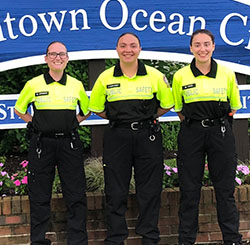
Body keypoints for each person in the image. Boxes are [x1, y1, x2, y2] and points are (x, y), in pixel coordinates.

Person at [88, 32, 174, 245]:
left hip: (148, 136)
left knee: (150, 189)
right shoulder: (106, 77)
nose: (128, 50)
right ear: (117, 49)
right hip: (117, 137)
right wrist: (121, 120)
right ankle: (116, 237)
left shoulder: (155, 75)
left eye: (133, 45)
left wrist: (144, 119)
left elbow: (167, 104)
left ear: (140, 49)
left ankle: (150, 237)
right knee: (115, 189)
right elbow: (98, 108)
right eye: (123, 45)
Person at [14, 41, 90, 245]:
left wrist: (74, 122)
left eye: (62, 54)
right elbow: (19, 109)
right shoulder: (33, 84)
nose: (58, 58)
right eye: (53, 54)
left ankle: (77, 241)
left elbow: (86, 110)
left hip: (69, 144)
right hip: (42, 145)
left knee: (75, 195)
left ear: (67, 58)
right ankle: (38, 241)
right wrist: (35, 123)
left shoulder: (76, 84)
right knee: (39, 196)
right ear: (46, 58)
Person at [172, 29, 243, 245]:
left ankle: (232, 239)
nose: (202, 49)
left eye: (206, 44)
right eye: (197, 44)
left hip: (220, 133)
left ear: (213, 46)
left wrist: (216, 126)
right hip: (191, 134)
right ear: (191, 48)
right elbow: (179, 109)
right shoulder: (180, 76)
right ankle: (186, 240)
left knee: (225, 190)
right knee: (189, 189)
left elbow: (234, 108)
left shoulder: (227, 73)